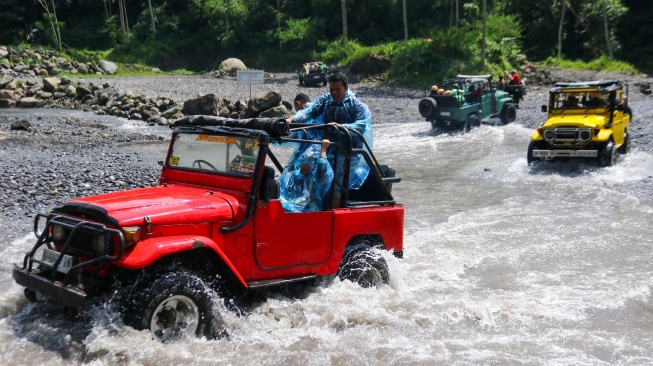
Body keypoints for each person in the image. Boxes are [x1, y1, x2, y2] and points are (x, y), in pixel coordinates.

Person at [286, 72, 373, 190]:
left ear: (346, 88)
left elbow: (361, 126)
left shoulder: (356, 105)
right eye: (332, 89)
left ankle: (335, 205)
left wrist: (341, 127)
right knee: (317, 179)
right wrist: (292, 119)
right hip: (327, 148)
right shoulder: (326, 100)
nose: (334, 93)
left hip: (348, 151)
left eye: (338, 89)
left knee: (337, 185)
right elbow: (308, 112)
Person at [279, 140, 334, 213]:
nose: (305, 165)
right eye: (303, 162)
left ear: (315, 164)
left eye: (309, 163)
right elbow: (281, 193)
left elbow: (323, 168)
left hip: (309, 211)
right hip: (289, 208)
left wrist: (323, 149)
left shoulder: (315, 179)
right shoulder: (291, 175)